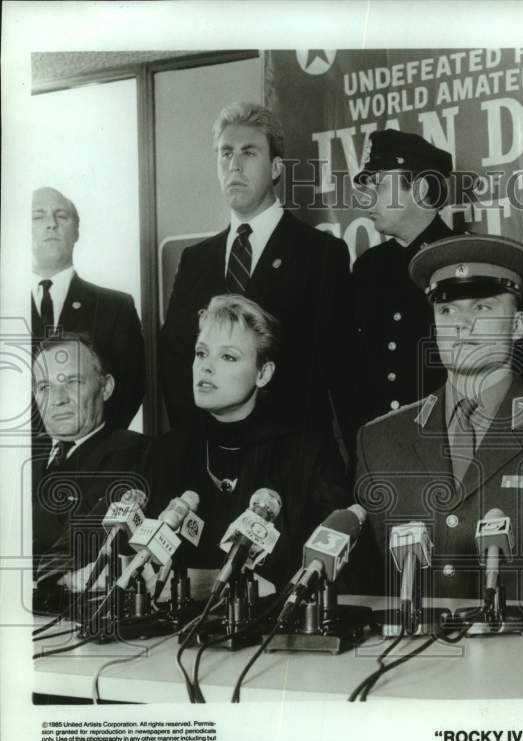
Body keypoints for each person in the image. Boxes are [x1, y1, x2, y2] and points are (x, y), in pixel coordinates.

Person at [353, 234, 523, 601]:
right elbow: (367, 586)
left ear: (517, 326)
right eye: (447, 311)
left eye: (482, 309)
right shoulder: (380, 439)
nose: (461, 325)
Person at [159, 102, 353, 441]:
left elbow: (337, 371)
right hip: (210, 459)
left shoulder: (321, 253)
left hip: (292, 459)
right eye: (225, 154)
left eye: (249, 153)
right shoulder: (195, 260)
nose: (234, 165)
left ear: (276, 167)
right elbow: (175, 363)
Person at [143, 295, 349, 589]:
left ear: (263, 373)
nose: (206, 367)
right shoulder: (166, 452)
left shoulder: (308, 454)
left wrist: (201, 584)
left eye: (227, 356)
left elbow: (329, 576)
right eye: (201, 353)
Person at [350, 129, 454, 427]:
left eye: (379, 185)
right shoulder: (367, 268)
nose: (367, 197)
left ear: (420, 190)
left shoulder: (462, 258)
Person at [31, 333, 147, 585]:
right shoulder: (17, 457)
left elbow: (83, 546)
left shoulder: (134, 452)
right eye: (45, 387)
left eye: (72, 382)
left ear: (106, 387)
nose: (58, 399)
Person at [31, 187, 145, 429]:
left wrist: (89, 449)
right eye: (38, 216)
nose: (51, 223)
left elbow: (132, 388)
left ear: (77, 231)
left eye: (61, 215)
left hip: (92, 460)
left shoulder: (116, 307)